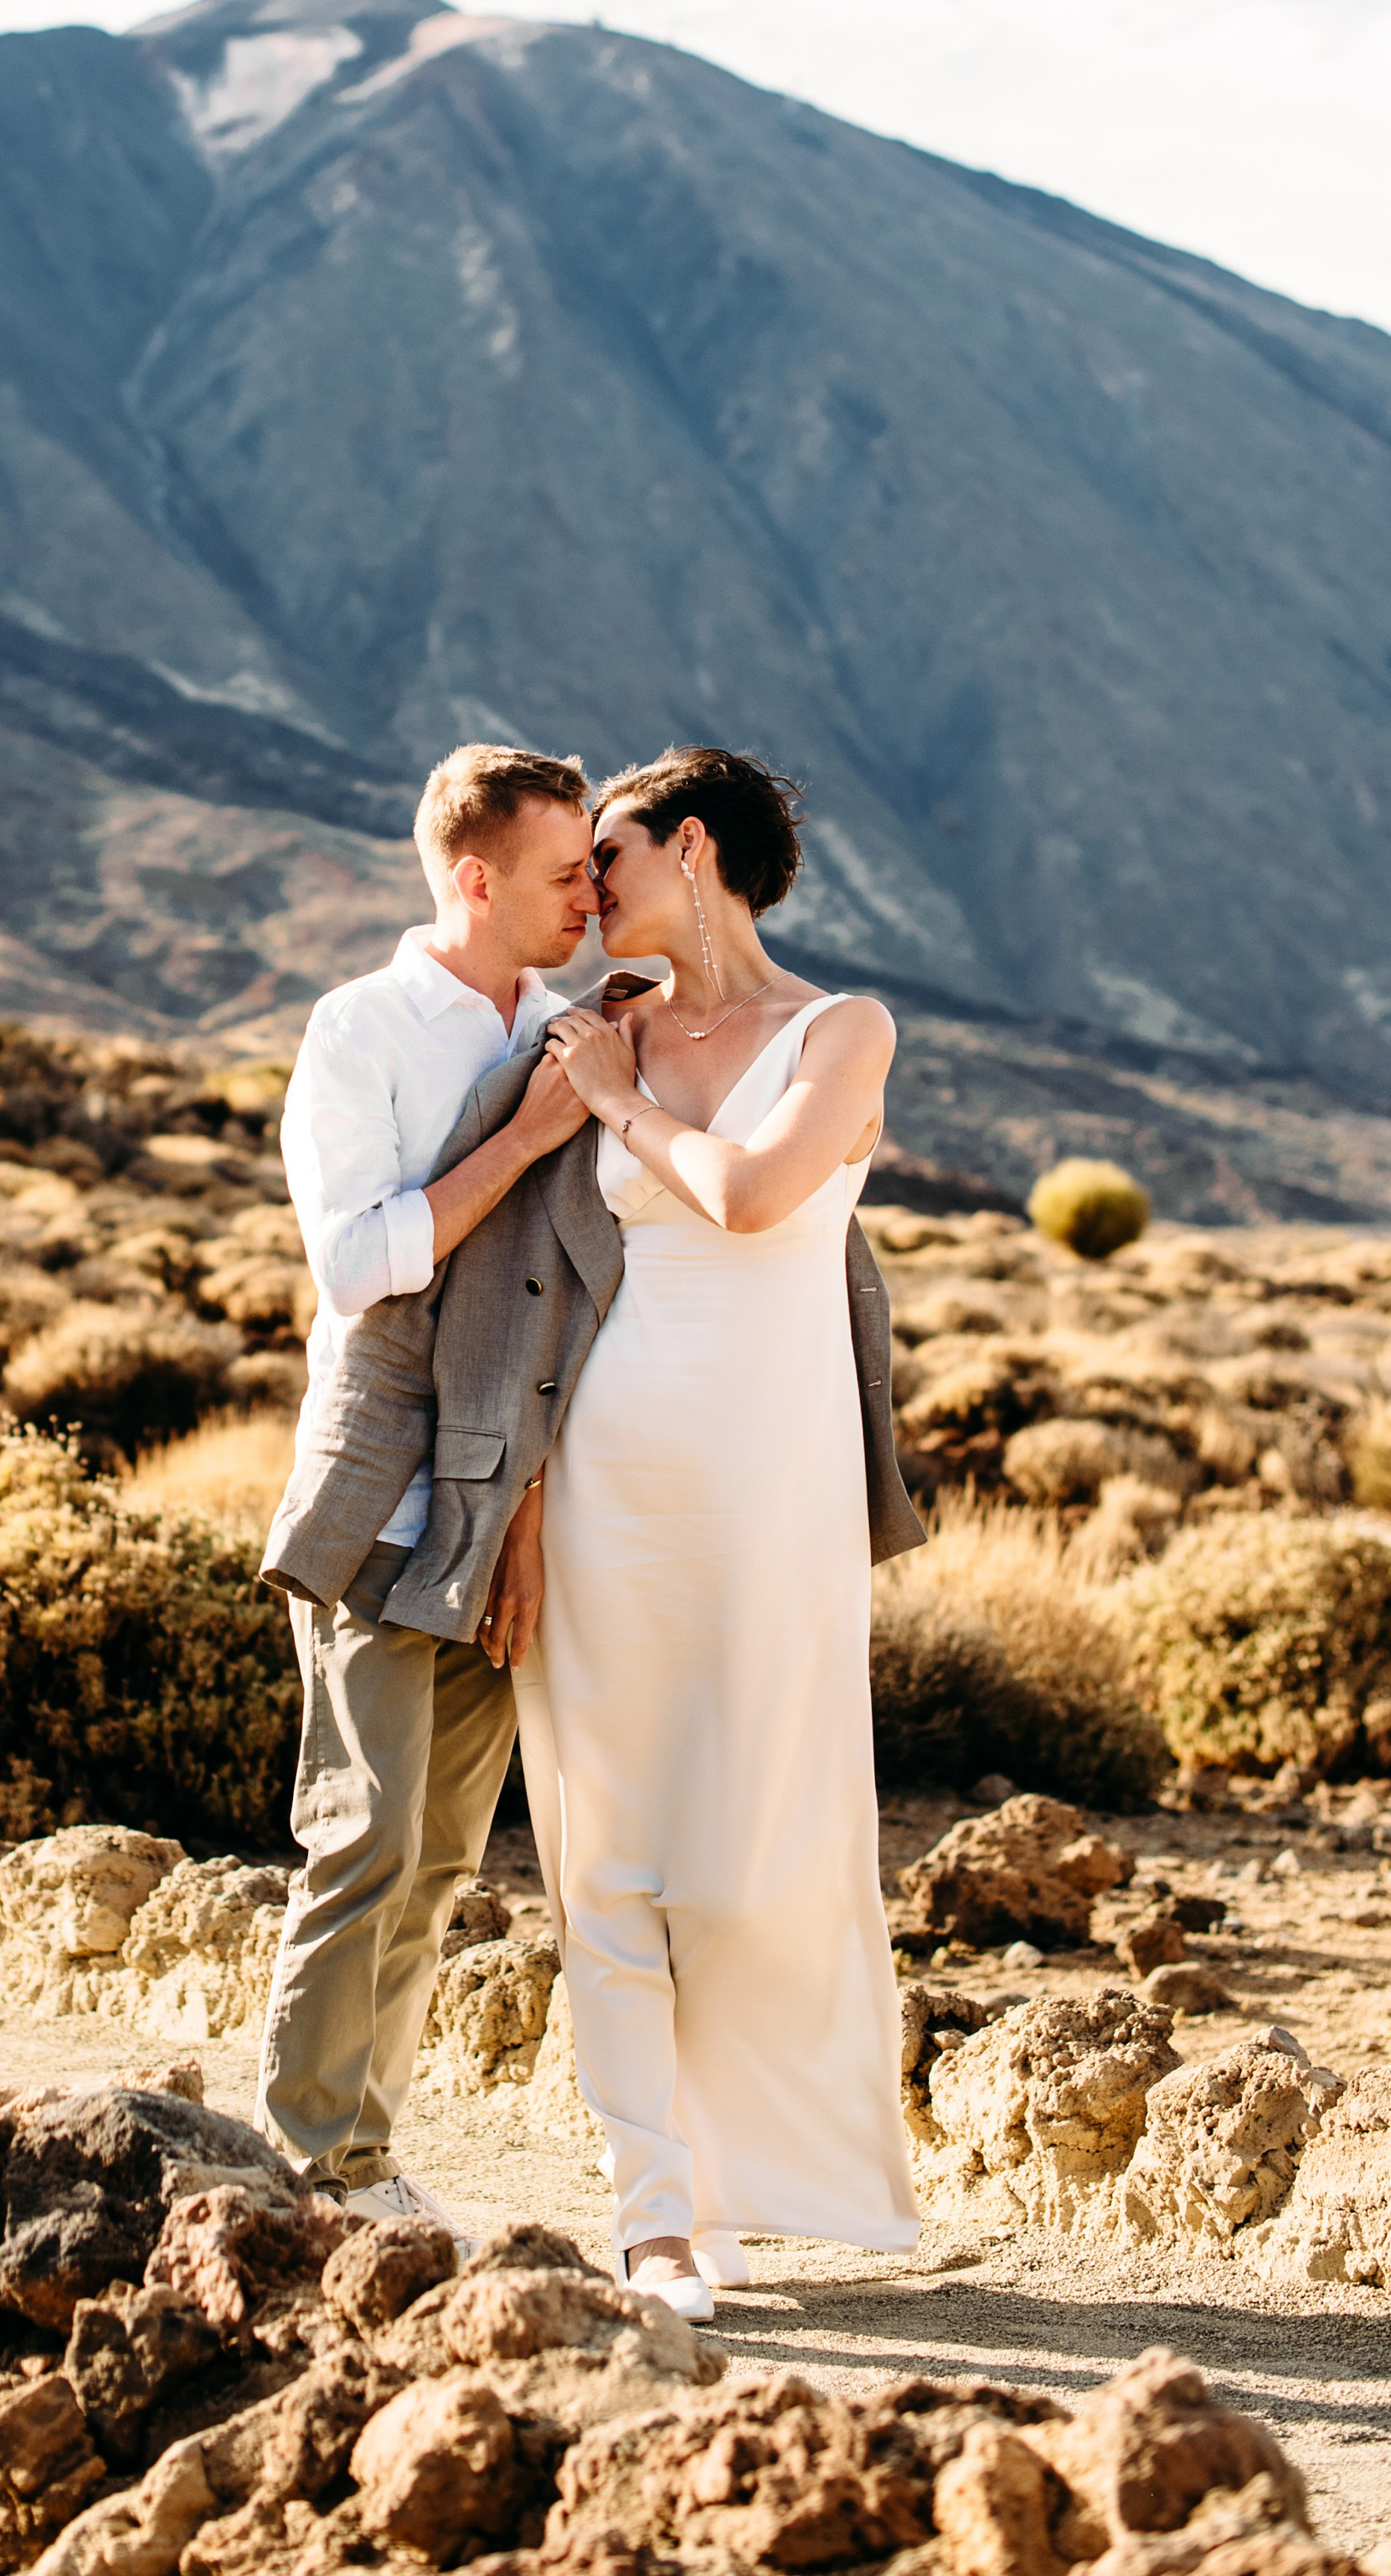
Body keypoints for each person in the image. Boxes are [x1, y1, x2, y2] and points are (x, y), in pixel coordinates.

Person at [511, 744, 922, 2317]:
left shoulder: (841, 1031)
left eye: (604, 861)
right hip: (611, 1466)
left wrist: (618, 1101)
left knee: (757, 1845)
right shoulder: (595, 1030)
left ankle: (753, 2169)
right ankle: (656, 2211)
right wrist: (515, 1499)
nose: (587, 894)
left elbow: (753, 1200)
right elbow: (520, 1271)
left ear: (693, 849)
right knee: (604, 1846)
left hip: (778, 1480)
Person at [255, 742, 599, 2233]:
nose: (591, 890)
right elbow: (357, 1260)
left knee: (446, 1853)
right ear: (475, 876)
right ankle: (292, 2169)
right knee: (367, 1834)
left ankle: (362, 2158)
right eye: (565, 870)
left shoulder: (578, 1027)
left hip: (497, 1500)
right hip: (382, 1487)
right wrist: (525, 1137)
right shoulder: (365, 1031)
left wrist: (531, 1513)